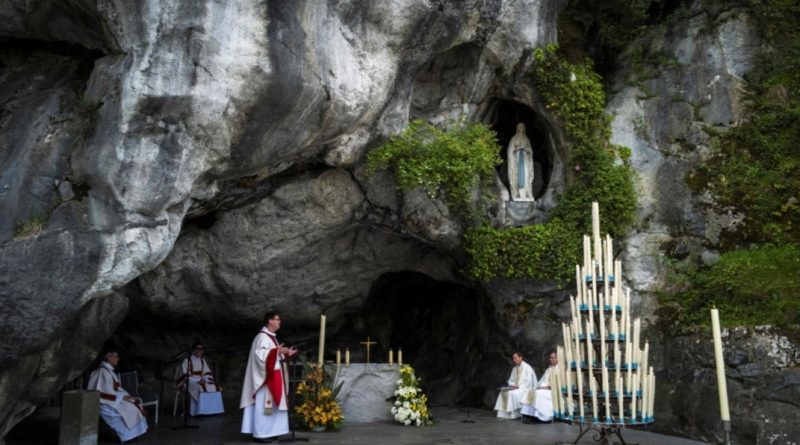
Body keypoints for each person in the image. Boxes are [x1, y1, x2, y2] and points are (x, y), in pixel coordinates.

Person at [240, 311, 297, 443]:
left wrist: (286, 353)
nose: (280, 322)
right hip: (265, 379)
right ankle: (260, 433)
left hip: (274, 376)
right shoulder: (262, 337)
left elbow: (273, 355)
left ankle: (271, 431)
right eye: (277, 319)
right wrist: (277, 351)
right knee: (264, 406)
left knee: (273, 407)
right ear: (270, 321)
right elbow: (260, 356)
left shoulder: (271, 337)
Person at [87, 351, 148, 442]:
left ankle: (133, 435)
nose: (118, 359)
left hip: (113, 399)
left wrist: (126, 395)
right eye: (116, 357)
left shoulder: (109, 371)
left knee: (135, 404)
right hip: (105, 402)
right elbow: (103, 392)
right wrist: (122, 397)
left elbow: (117, 388)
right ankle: (128, 436)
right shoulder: (101, 372)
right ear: (109, 358)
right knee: (130, 409)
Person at [175, 342, 225, 416]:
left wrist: (204, 379)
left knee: (215, 387)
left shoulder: (202, 360)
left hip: (202, 380)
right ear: (193, 350)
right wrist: (197, 380)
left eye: (201, 349)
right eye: (198, 349)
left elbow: (207, 372)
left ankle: (213, 411)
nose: (200, 351)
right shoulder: (187, 360)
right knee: (199, 388)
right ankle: (197, 412)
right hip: (189, 381)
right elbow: (185, 374)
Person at [494, 352, 537, 419]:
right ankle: (503, 414)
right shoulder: (515, 368)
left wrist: (518, 386)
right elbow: (511, 380)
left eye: (515, 358)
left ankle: (514, 414)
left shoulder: (527, 368)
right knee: (503, 392)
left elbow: (529, 382)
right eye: (513, 358)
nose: (514, 360)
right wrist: (513, 385)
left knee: (512, 394)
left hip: (525, 389)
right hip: (516, 388)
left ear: (520, 358)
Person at [521, 350, 558, 423]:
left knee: (539, 394)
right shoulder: (549, 369)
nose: (550, 359)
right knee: (531, 391)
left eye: (552, 358)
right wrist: (539, 386)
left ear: (558, 358)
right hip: (546, 389)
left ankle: (542, 417)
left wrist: (547, 387)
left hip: (554, 390)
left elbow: (560, 384)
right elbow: (542, 381)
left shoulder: (561, 369)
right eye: (550, 358)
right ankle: (529, 414)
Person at [506, 122, 534, 201]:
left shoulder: (526, 139)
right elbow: (510, 151)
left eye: (522, 126)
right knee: (517, 176)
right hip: (516, 161)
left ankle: (525, 194)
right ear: (517, 128)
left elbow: (530, 151)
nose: (521, 128)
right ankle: (518, 194)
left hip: (525, 160)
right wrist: (517, 149)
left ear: (524, 128)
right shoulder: (514, 138)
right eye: (519, 126)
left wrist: (525, 149)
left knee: (526, 175)